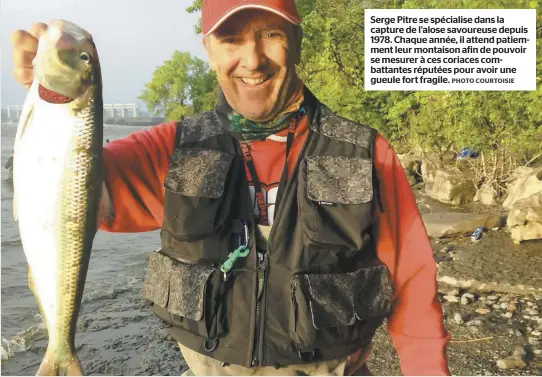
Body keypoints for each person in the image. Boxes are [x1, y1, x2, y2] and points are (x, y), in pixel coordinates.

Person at [10, 0, 450, 375]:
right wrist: (55, 100)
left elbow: (413, 289)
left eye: (271, 34)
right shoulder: (171, 149)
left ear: (297, 40)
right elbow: (70, 193)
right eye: (231, 39)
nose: (253, 59)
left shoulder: (365, 154)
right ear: (209, 50)